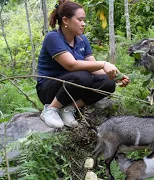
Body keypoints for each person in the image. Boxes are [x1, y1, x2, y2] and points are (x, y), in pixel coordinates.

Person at [36, 0, 129, 128]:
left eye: (83, 20)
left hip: (73, 85)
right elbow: (71, 65)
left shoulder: (82, 39)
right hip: (49, 89)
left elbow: (94, 68)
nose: (83, 24)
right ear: (65, 20)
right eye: (79, 20)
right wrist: (104, 64)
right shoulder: (53, 38)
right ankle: (51, 109)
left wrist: (116, 76)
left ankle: (68, 109)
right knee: (82, 75)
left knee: (108, 83)